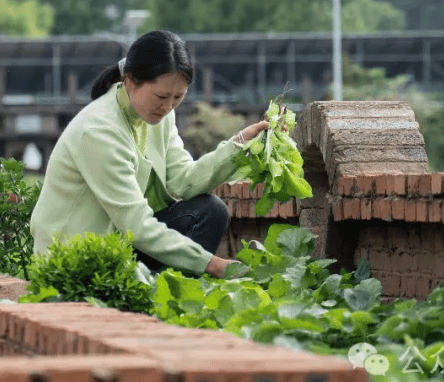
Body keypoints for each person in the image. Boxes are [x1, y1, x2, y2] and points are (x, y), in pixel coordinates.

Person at [29, 30, 268, 278]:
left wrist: (240, 144)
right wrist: (215, 265)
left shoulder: (158, 116)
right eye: (162, 96)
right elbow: (136, 225)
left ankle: (174, 296)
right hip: (72, 257)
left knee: (209, 211)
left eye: (178, 97)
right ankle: (165, 299)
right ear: (131, 81)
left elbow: (184, 180)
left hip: (119, 241)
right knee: (188, 250)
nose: (168, 106)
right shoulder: (99, 131)